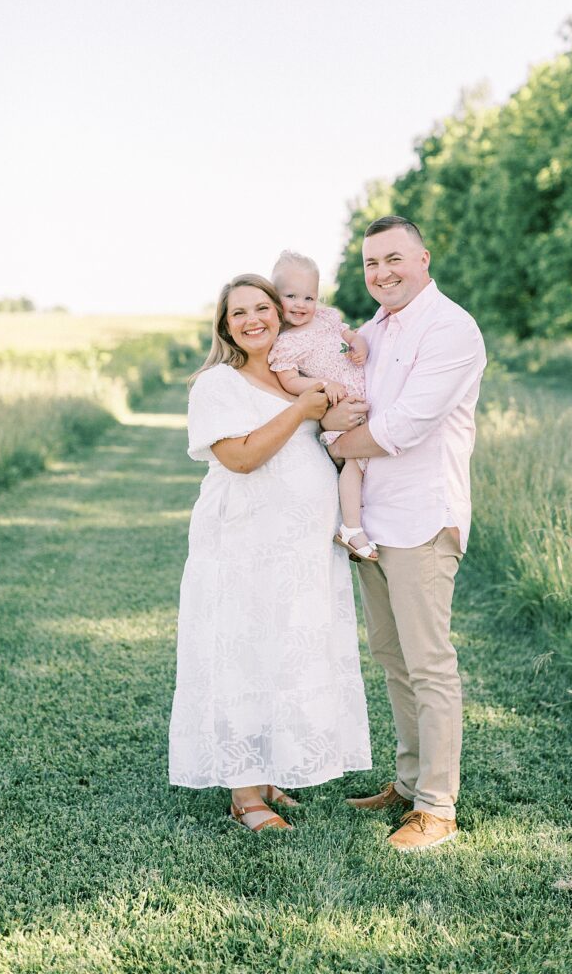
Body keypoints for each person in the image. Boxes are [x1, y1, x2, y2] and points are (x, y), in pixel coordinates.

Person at [168, 274, 372, 833]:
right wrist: (304, 409)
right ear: (225, 326)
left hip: (299, 554)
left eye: (263, 308)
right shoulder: (216, 385)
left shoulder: (297, 381)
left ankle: (267, 774)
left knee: (284, 654)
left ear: (281, 315)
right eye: (239, 313)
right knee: (243, 655)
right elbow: (240, 457)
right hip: (243, 548)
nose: (253, 319)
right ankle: (244, 794)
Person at [326, 216, 486, 853]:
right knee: (393, 660)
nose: (382, 273)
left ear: (423, 258)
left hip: (423, 517)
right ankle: (408, 779)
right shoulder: (370, 332)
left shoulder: (451, 328)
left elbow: (403, 427)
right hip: (372, 523)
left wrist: (335, 440)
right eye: (370, 264)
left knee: (429, 664)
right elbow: (335, 395)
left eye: (394, 258)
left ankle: (438, 809)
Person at [268, 250, 377, 561]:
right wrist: (322, 384)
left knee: (372, 467)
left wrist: (359, 344)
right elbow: (289, 382)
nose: (302, 305)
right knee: (355, 464)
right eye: (291, 296)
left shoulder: (326, 319)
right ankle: (351, 529)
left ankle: (363, 522)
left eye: (309, 297)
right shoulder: (286, 343)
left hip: (362, 400)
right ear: (275, 298)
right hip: (341, 405)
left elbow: (351, 334)